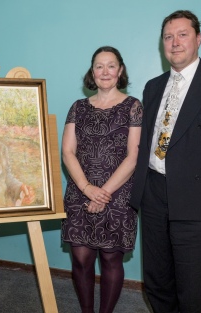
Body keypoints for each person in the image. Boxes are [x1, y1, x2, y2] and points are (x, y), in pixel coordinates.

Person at [130, 10, 201, 313]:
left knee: (193, 288)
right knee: (156, 283)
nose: (174, 42)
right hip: (152, 195)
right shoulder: (153, 87)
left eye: (182, 34)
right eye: (168, 36)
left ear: (198, 39)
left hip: (196, 200)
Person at [61, 46, 142, 313]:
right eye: (99, 66)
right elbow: (68, 151)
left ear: (120, 71)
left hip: (117, 195)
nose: (104, 71)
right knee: (81, 259)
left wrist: (102, 193)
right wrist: (87, 189)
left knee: (110, 258)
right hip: (79, 193)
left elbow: (133, 157)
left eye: (110, 65)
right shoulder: (78, 107)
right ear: (92, 72)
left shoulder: (133, 107)